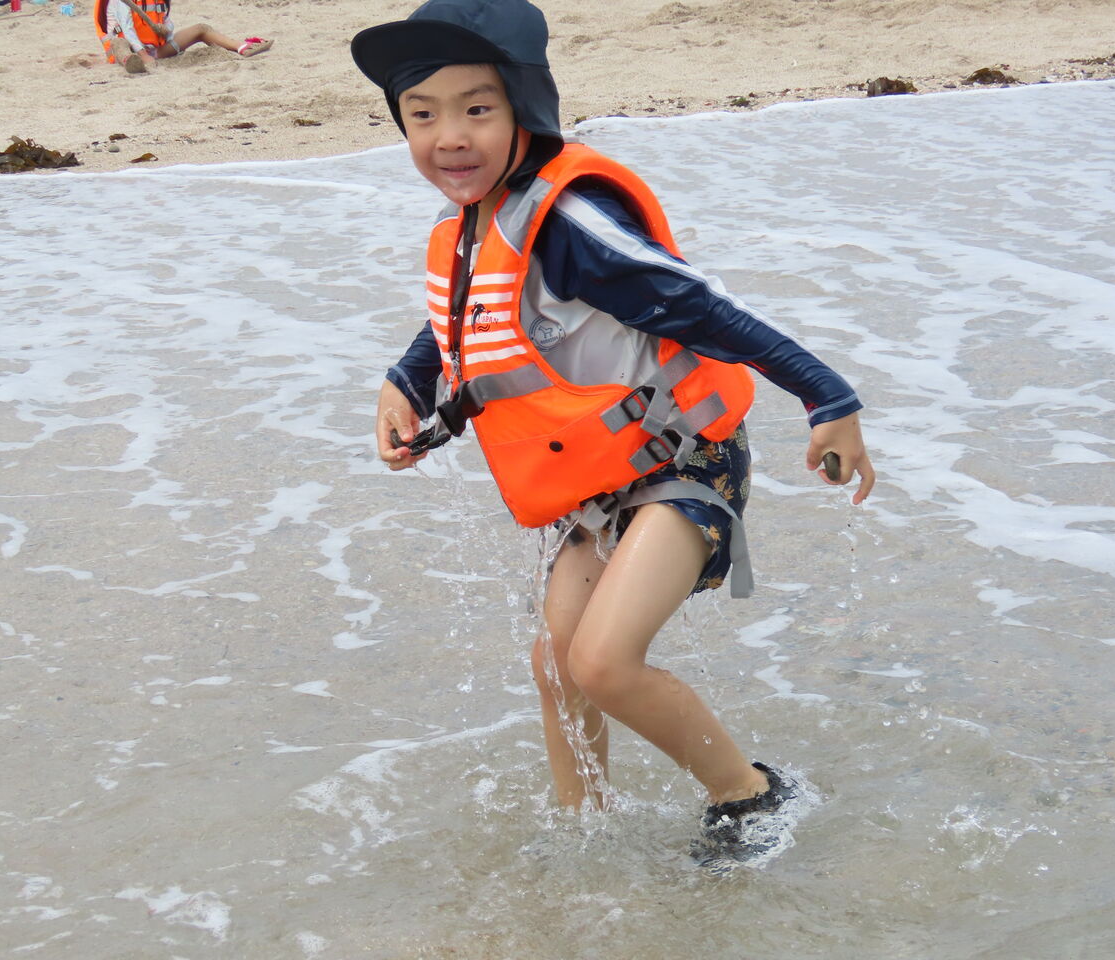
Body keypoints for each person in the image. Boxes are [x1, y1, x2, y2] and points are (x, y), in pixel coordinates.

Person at [351, 0, 875, 863]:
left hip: (688, 459)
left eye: (477, 108)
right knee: (557, 662)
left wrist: (827, 396)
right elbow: (467, 316)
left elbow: (699, 306)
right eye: (423, 114)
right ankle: (581, 830)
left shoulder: (572, 221)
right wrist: (406, 383)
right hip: (603, 479)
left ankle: (750, 794)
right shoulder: (475, 222)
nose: (450, 136)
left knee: (602, 661)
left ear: (525, 108)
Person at [91, 0, 272, 74]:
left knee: (201, 29)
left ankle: (241, 47)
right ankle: (132, 63)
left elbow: (167, 22)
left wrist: (166, 30)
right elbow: (127, 29)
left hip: (155, 51)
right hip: (127, 49)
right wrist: (142, 54)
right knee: (120, 43)